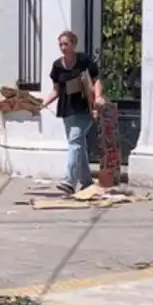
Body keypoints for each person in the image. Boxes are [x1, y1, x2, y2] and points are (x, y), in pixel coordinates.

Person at [42, 30, 105, 195]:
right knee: (79, 145)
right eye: (60, 44)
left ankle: (69, 181)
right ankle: (86, 182)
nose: (63, 47)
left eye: (66, 44)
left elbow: (96, 79)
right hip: (66, 110)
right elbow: (56, 90)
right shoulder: (57, 66)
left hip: (84, 109)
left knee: (74, 143)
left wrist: (98, 96)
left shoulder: (84, 60)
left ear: (73, 44)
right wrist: (42, 104)